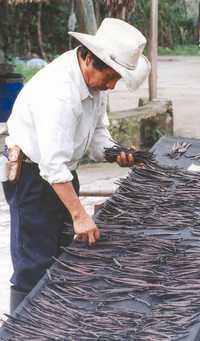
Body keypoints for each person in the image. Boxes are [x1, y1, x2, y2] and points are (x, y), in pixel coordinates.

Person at [2, 18, 150, 312]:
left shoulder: (93, 87)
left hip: (62, 175)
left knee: (64, 256)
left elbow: (97, 135)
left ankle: (54, 320)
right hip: (33, 178)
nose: (111, 86)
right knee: (34, 263)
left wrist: (115, 153)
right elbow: (51, 164)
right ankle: (22, 328)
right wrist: (80, 215)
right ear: (89, 61)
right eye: (111, 77)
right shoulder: (59, 93)